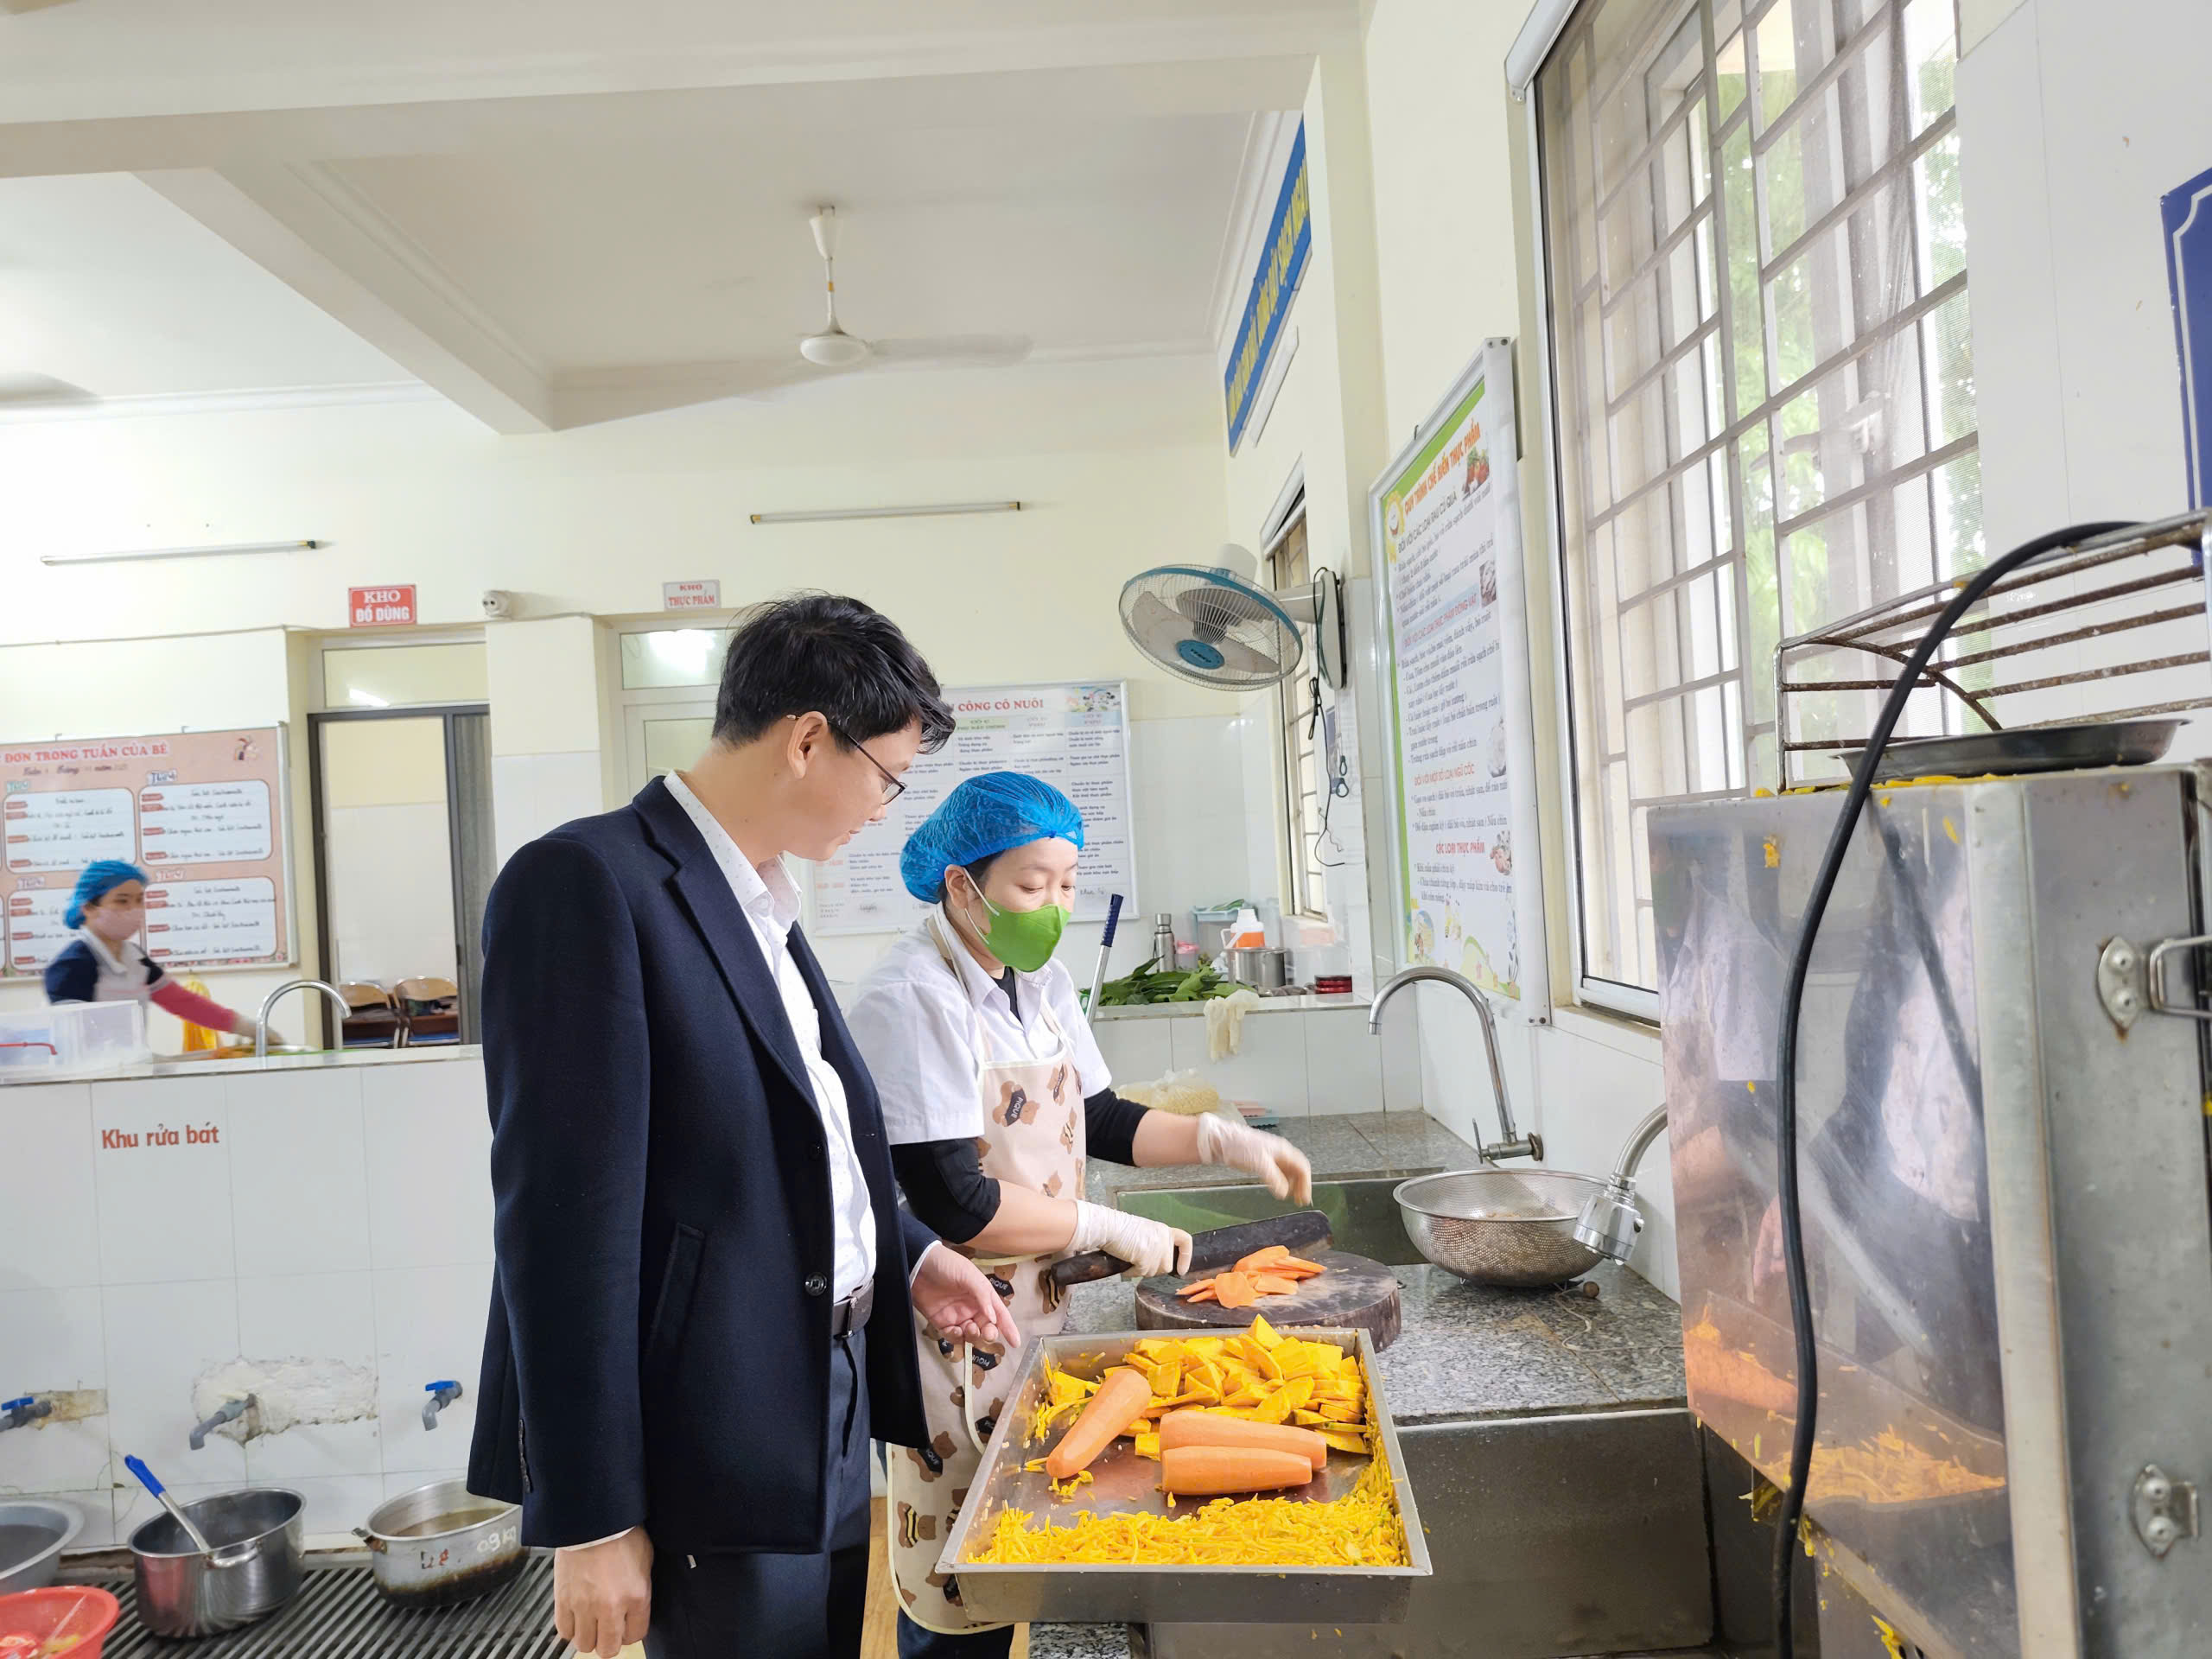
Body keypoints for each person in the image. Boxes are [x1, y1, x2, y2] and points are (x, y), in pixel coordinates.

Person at [465, 595, 1022, 1659]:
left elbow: (793, 1146)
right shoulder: (589, 881)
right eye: (887, 777)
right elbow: (561, 1228)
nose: (885, 809)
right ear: (807, 740)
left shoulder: (762, 900)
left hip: (828, 1385)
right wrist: (591, 1518)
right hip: (706, 1414)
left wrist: (907, 1257)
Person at [846, 772, 1314, 1658]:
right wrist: (1104, 1228)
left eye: (1067, 883)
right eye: (1033, 885)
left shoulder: (1041, 980)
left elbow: (1100, 1117)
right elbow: (956, 1203)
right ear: (962, 885)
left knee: (1024, 1539)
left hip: (1037, 1304)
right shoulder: (911, 998)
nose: (1056, 906)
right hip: (948, 1329)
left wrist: (1218, 1139)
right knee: (958, 1587)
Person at [43, 861, 263, 1043]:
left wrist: (245, 1026)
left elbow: (183, 1002)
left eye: (139, 900)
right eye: (122, 901)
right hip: (93, 1078)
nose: (133, 909)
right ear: (89, 908)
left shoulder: (135, 958)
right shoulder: (71, 965)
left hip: (131, 1070)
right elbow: (73, 1040)